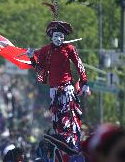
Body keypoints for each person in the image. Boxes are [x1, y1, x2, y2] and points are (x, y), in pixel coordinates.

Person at [27, 17, 90, 150]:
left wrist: (84, 81)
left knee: (70, 116)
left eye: (61, 36)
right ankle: (61, 141)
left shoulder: (69, 48)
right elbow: (39, 68)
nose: (59, 38)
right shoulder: (45, 50)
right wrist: (31, 56)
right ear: (51, 37)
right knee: (58, 118)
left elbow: (79, 65)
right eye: (56, 36)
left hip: (67, 88)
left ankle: (73, 142)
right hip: (54, 90)